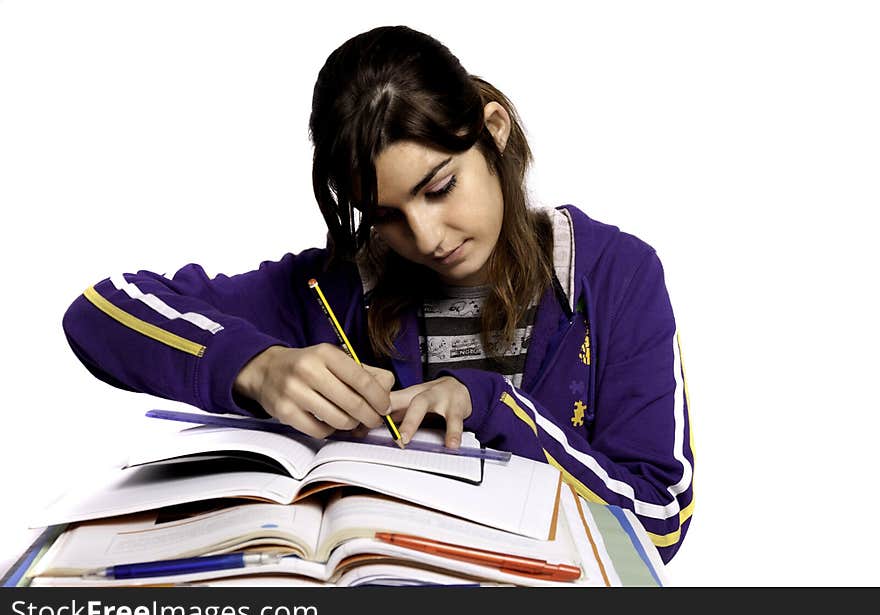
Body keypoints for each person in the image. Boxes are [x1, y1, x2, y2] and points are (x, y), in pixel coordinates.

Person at [62, 25, 694, 563]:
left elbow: (660, 520)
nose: (425, 236)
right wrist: (257, 367)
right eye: (385, 214)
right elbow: (101, 311)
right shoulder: (332, 289)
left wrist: (492, 405)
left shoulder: (614, 276)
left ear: (493, 131)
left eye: (440, 187)